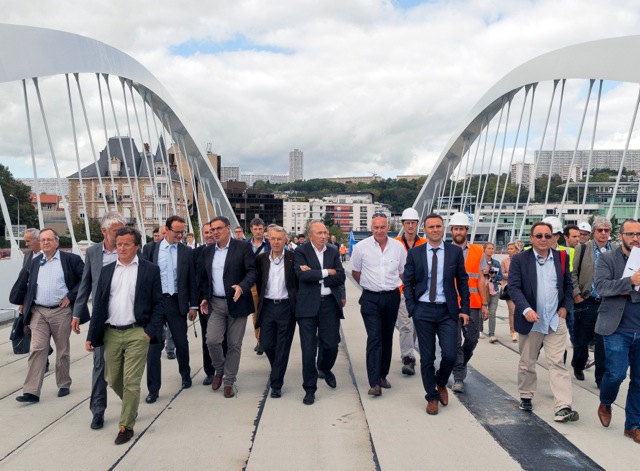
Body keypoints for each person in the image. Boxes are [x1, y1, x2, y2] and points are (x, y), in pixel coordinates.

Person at [85, 227, 164, 445]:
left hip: (137, 332)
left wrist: (149, 332)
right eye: (119, 244)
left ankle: (125, 425)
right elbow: (99, 305)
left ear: (137, 246)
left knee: (131, 381)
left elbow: (159, 303)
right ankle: (132, 405)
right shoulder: (108, 271)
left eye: (126, 244)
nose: (121, 248)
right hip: (111, 333)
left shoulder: (149, 270)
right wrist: (91, 335)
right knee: (112, 378)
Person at [509, 221, 578, 422]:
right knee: (528, 362)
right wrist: (526, 309)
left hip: (555, 320)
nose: (543, 240)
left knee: (557, 363)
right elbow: (514, 287)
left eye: (547, 236)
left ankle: (563, 406)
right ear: (531, 239)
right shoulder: (520, 259)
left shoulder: (561, 258)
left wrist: (565, 307)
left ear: (554, 238)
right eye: (538, 236)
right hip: (531, 321)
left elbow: (567, 285)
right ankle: (526, 394)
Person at [403, 213, 469, 415]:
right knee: (427, 357)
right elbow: (407, 282)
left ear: (443, 229)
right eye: (431, 227)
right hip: (423, 310)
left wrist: (464, 309)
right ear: (425, 230)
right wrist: (412, 307)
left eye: (438, 226)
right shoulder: (415, 253)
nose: (435, 230)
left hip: (447, 310)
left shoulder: (453, 252)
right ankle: (431, 396)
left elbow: (463, 281)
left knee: (449, 354)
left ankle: (441, 382)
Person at [15, 228, 85, 404]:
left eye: (49, 240)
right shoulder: (35, 262)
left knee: (62, 350)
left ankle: (63, 383)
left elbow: (85, 279)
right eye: (43, 240)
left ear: (57, 241)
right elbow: (27, 284)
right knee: (37, 349)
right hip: (38, 311)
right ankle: (31, 391)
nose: (45, 243)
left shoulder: (71, 260)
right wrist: (23, 301)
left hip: (60, 311)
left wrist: (70, 296)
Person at [71, 211, 126, 430]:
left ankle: (128, 406)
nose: (121, 235)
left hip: (126, 315)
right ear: (104, 231)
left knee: (125, 369)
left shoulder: (130, 249)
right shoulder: (94, 252)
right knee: (99, 366)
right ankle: (97, 410)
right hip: (101, 319)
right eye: (116, 231)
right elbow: (85, 283)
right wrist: (77, 312)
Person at [199, 216, 257, 398]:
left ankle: (229, 381)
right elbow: (203, 278)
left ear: (228, 229)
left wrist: (242, 286)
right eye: (212, 229)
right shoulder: (208, 252)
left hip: (237, 302)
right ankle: (219, 369)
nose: (214, 232)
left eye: (218, 228)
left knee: (234, 344)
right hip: (215, 303)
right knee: (212, 340)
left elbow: (253, 271)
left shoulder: (242, 247)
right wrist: (203, 298)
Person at [142, 215, 198, 403]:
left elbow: (191, 280)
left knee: (181, 342)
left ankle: (185, 374)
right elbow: (142, 279)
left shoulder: (186, 252)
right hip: (156, 305)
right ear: (166, 230)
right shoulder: (150, 250)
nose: (180, 235)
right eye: (177, 231)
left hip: (177, 303)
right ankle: (153, 389)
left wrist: (193, 305)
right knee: (154, 347)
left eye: (182, 231)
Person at [593, 219, 640, 441]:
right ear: (620, 236)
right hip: (616, 327)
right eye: (630, 234)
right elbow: (601, 287)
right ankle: (606, 402)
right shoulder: (607, 258)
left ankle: (633, 425)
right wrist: (630, 282)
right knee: (616, 373)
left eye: (639, 234)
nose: (635, 238)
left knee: (639, 380)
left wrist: (623, 289)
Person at [350, 213, 406, 396]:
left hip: (391, 297)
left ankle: (383, 374)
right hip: (370, 299)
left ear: (388, 227)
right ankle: (374, 382)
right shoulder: (361, 248)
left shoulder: (398, 247)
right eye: (376, 227)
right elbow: (356, 272)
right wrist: (370, 285)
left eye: (382, 227)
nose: (379, 231)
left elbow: (403, 273)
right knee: (374, 337)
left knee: (387, 336)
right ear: (371, 228)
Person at [294, 221, 345, 405]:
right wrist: (326, 272)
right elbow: (302, 276)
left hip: (329, 305)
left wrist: (317, 274)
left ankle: (324, 367)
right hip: (307, 306)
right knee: (308, 351)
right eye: (320, 233)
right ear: (310, 235)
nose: (324, 235)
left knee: (331, 344)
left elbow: (340, 276)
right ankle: (309, 389)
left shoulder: (332, 251)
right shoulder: (301, 252)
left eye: (325, 232)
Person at [255, 226, 298, 398]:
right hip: (267, 307)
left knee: (283, 346)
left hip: (287, 307)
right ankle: (277, 369)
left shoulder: (293, 259)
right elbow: (254, 278)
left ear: (285, 240)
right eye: (273, 239)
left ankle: (276, 384)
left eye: (279, 239)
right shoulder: (261, 259)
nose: (276, 242)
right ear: (268, 240)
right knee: (266, 343)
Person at [448, 212, 489, 394]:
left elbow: (481, 279)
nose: (458, 232)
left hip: (473, 303)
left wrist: (485, 304)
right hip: (451, 304)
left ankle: (462, 362)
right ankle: (458, 377)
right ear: (451, 230)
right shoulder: (445, 250)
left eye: (461, 229)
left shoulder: (478, 251)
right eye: (456, 228)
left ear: (467, 230)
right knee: (455, 342)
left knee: (471, 340)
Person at [572, 216, 614, 387]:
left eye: (606, 230)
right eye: (600, 230)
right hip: (587, 301)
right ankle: (578, 365)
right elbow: (572, 274)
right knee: (582, 340)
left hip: (607, 303)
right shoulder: (582, 249)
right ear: (594, 232)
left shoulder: (615, 251)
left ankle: (600, 377)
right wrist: (577, 296)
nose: (603, 233)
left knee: (603, 343)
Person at [394, 207, 426, 375]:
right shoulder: (395, 243)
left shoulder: (425, 243)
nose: (411, 226)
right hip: (402, 290)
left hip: (420, 292)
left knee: (415, 326)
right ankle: (408, 358)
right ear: (403, 224)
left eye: (413, 223)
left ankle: (408, 351)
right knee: (406, 325)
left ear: (417, 224)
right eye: (408, 223)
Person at [192, 222, 219, 386]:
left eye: (212, 232)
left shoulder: (224, 252)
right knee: (207, 338)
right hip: (204, 303)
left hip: (223, 301)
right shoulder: (196, 253)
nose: (209, 235)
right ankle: (210, 371)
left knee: (223, 339)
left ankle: (223, 369)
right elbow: (194, 279)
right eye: (206, 232)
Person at [481, 242, 502, 344]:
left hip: (493, 289)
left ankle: (491, 334)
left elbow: (500, 277)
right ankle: (480, 330)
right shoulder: (480, 261)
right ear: (484, 249)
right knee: (482, 311)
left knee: (492, 312)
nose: (491, 250)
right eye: (489, 248)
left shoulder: (496, 263)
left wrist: (494, 276)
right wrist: (483, 272)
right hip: (482, 289)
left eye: (492, 248)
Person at [500, 242, 519, 342]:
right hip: (509, 287)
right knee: (512, 310)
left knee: (520, 310)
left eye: (512, 248)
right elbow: (502, 274)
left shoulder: (521, 260)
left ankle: (519, 329)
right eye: (508, 248)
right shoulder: (504, 261)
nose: (509, 250)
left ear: (516, 249)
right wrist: (512, 275)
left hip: (521, 288)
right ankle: (513, 331)